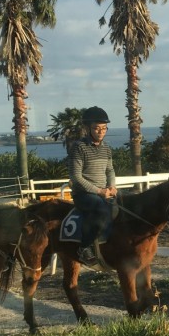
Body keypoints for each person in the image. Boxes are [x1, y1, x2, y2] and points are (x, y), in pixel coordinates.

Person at [68, 106, 117, 265]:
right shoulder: (78, 147)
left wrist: (112, 186)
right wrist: (99, 191)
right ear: (87, 128)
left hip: (103, 192)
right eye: (97, 128)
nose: (101, 131)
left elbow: (110, 170)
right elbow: (76, 177)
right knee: (102, 209)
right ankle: (84, 247)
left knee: (126, 204)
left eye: (104, 128)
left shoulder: (106, 148)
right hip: (83, 194)